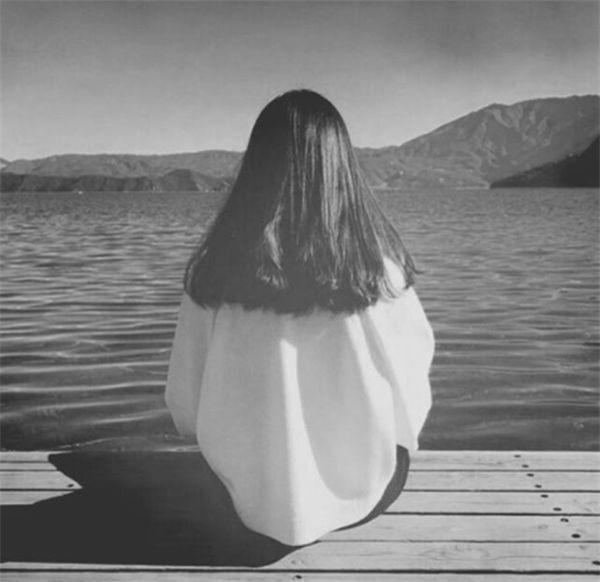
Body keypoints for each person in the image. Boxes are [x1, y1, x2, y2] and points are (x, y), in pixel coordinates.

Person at [165, 89, 434, 547]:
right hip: (365, 497)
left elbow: (185, 406)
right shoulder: (380, 274)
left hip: (237, 503)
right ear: (341, 170)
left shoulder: (215, 276)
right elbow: (411, 398)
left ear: (255, 170)